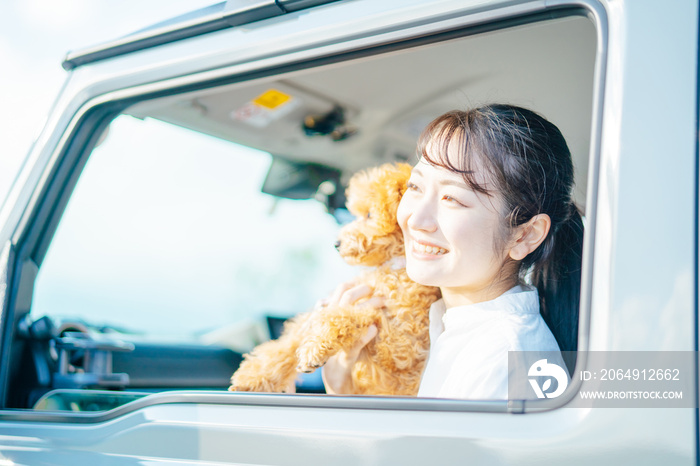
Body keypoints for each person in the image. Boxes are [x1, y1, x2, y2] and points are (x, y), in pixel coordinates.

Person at [322, 104, 584, 399]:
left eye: (452, 199)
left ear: (525, 234)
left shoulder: (503, 360)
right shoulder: (447, 326)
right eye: (416, 186)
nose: (416, 220)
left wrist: (339, 392)